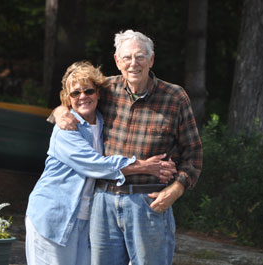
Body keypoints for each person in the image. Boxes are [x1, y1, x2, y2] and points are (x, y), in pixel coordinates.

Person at [53, 30, 203, 265]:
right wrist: (59, 111)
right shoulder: (106, 90)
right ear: (117, 61)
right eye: (127, 57)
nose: (134, 63)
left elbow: (193, 154)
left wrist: (175, 190)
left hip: (149, 202)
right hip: (103, 202)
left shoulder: (175, 97)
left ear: (151, 60)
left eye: (140, 56)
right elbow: (75, 100)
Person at [25, 61, 176, 265]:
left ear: (98, 93)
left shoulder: (103, 120)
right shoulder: (66, 129)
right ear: (67, 98)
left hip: (84, 219)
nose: (82, 97)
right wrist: (146, 167)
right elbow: (97, 165)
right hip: (55, 216)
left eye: (88, 90)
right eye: (75, 94)